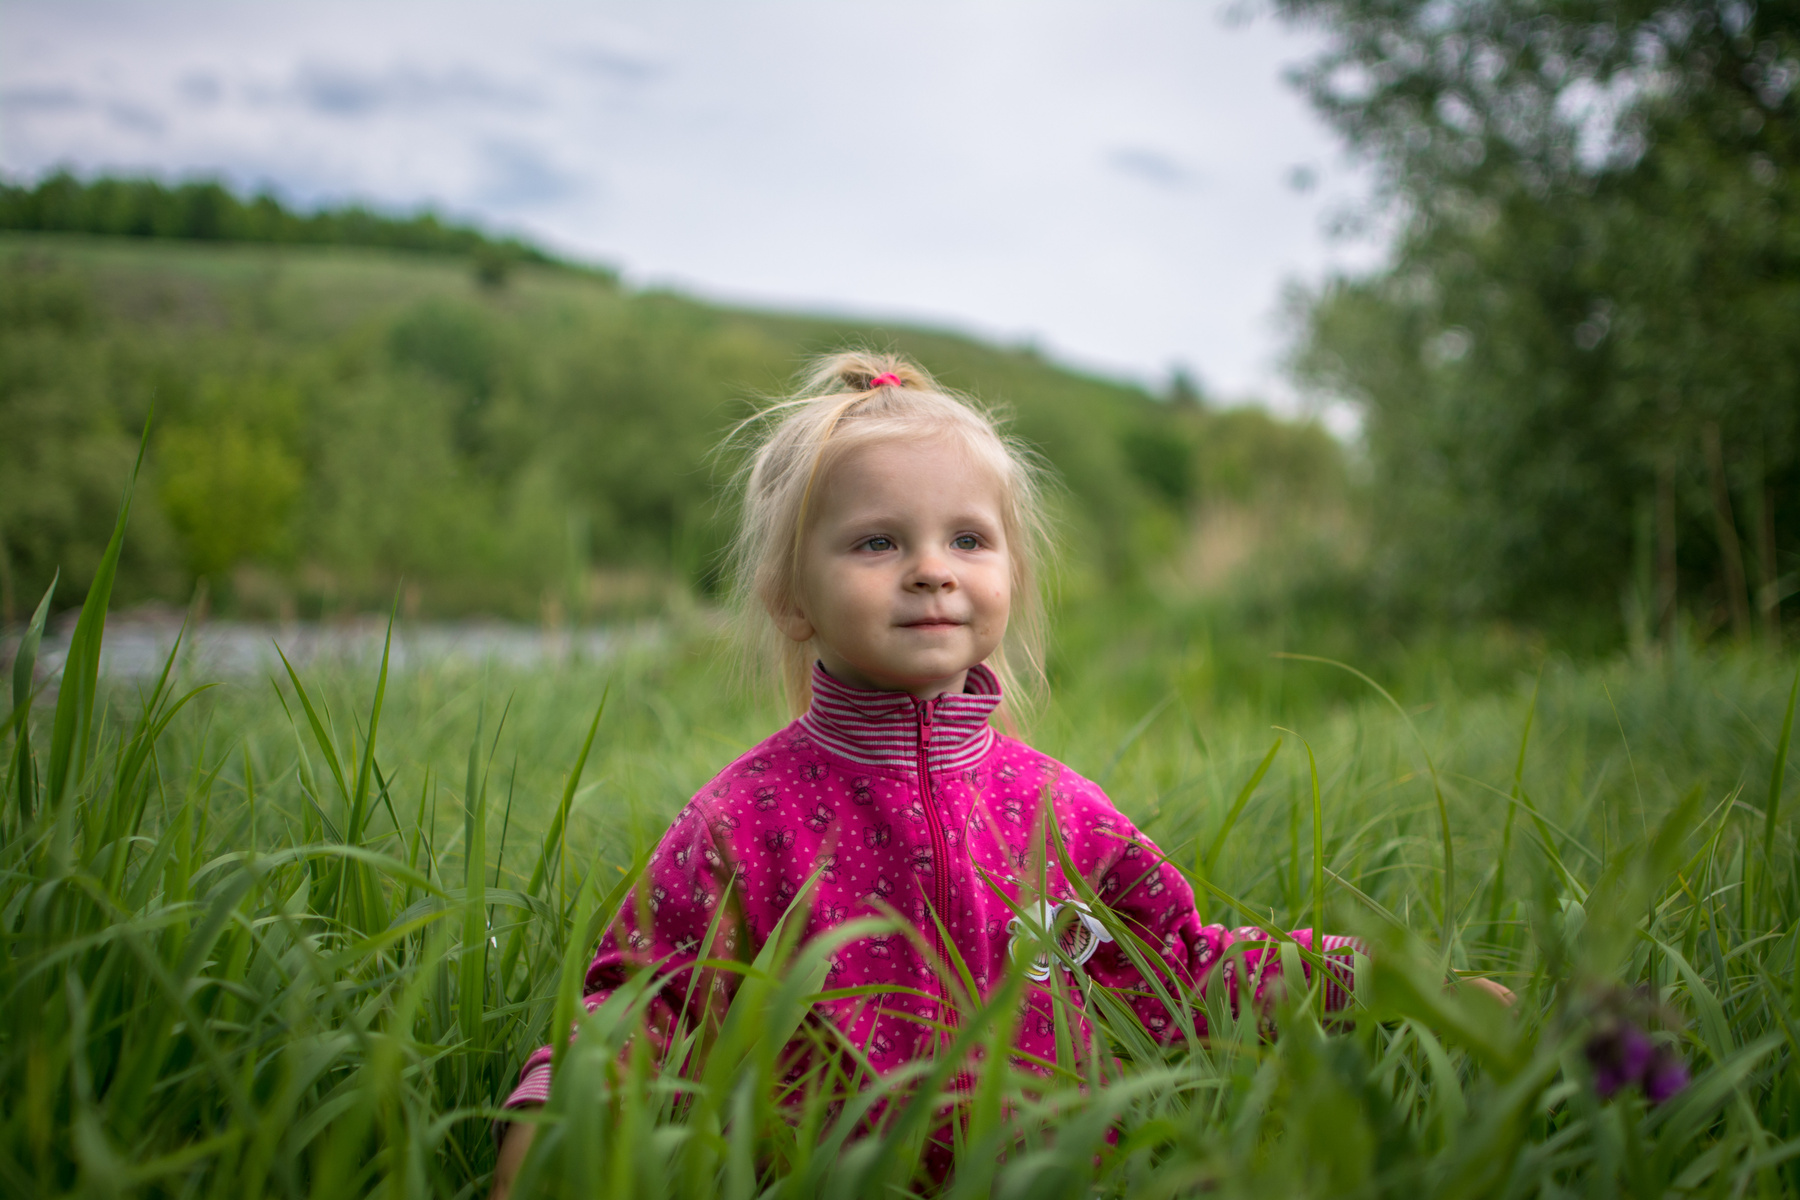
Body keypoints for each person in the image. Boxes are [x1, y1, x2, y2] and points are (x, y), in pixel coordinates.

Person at [489, 352, 1507, 1197]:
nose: (931, 568)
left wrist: (1392, 984)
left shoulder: (1061, 812)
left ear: (1011, 573)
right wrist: (555, 1119)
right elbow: (647, 1005)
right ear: (790, 597)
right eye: (878, 541)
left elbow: (1185, 968)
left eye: (967, 539)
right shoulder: (743, 820)